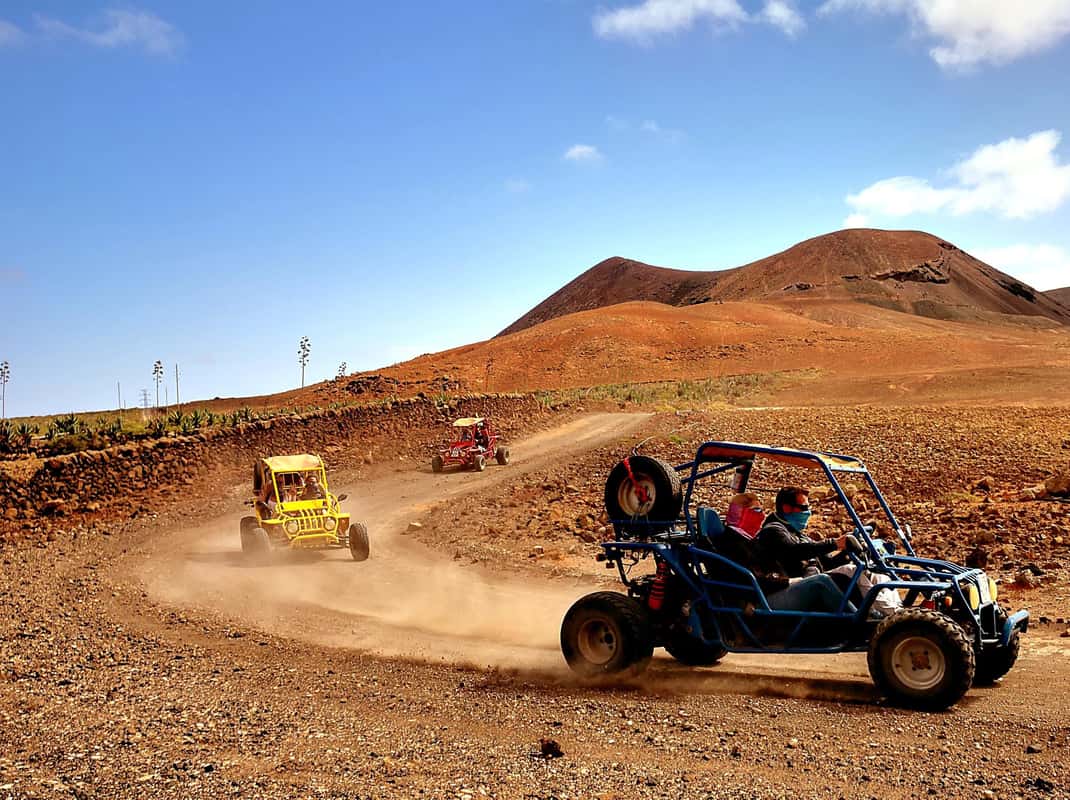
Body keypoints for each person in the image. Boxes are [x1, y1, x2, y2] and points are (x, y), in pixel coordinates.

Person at [755, 486, 856, 614]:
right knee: (822, 581)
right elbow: (795, 551)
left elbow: (824, 560)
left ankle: (879, 614)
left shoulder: (795, 532)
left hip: (802, 581)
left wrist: (846, 553)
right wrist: (834, 543)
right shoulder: (773, 531)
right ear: (787, 508)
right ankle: (860, 624)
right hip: (781, 589)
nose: (808, 512)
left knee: (852, 570)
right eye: (804, 508)